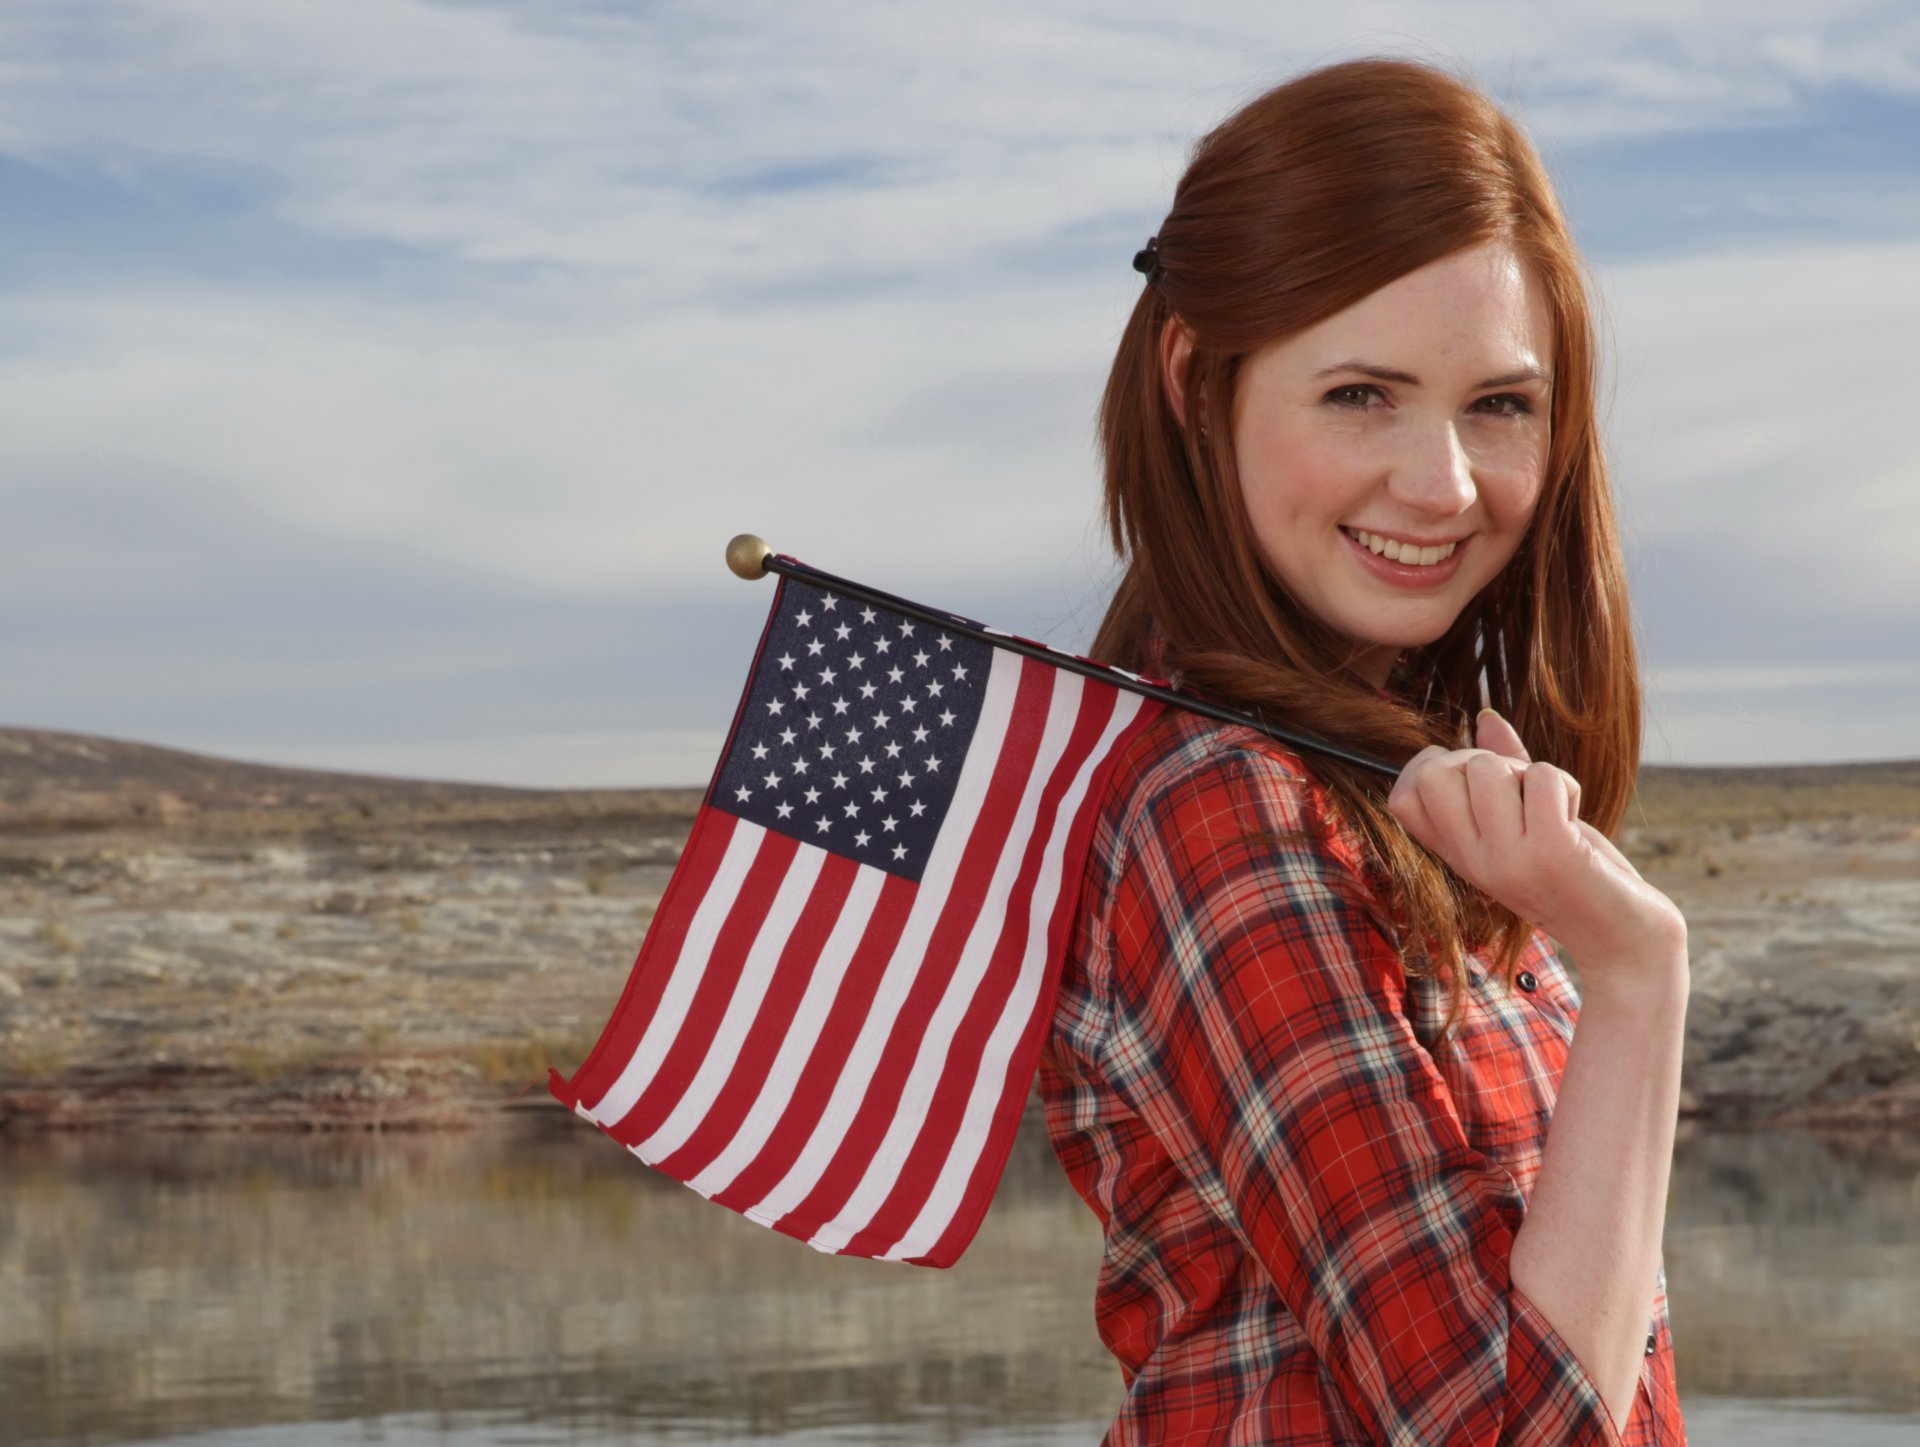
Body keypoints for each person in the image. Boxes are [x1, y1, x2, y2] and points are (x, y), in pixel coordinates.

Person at [1039, 58, 1691, 1445]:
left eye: (1499, 405)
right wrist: (1637, 974)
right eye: (1360, 395)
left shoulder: (1374, 789)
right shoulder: (1224, 807)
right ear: (1197, 385)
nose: (1441, 483)